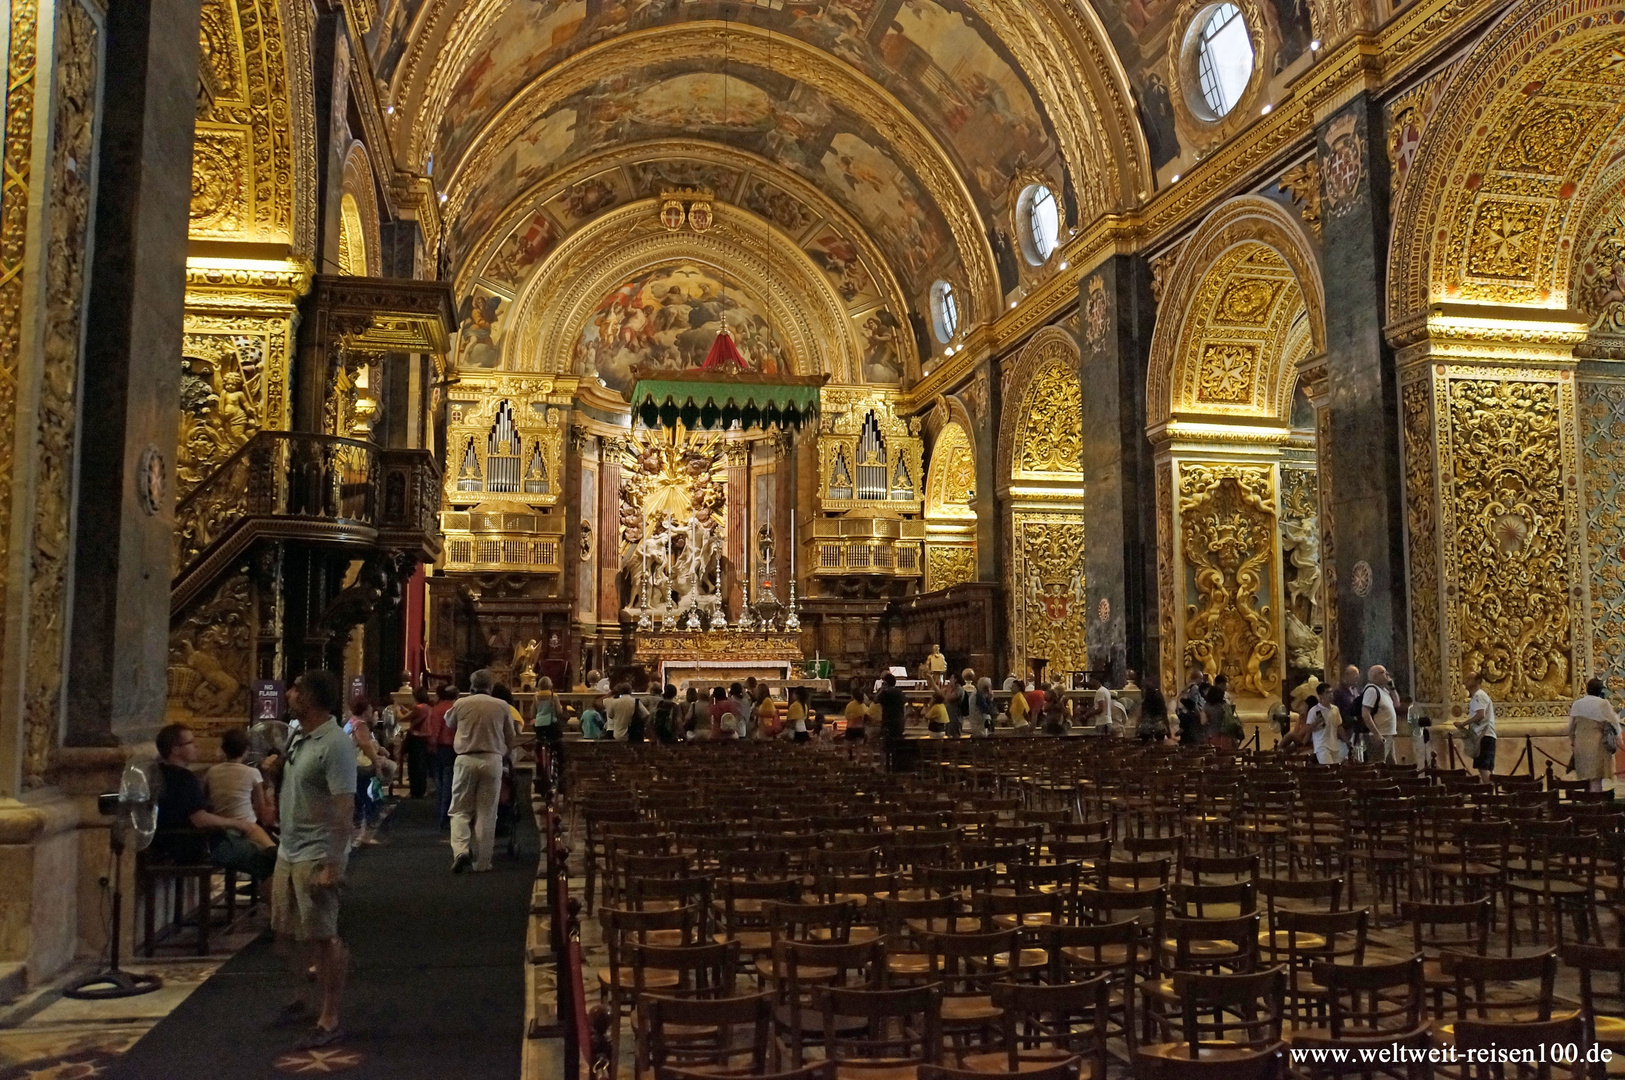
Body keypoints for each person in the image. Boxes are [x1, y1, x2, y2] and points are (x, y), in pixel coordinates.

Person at [272, 669, 357, 1049]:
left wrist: (332, 862)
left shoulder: (335, 743)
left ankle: (330, 1015)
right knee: (285, 930)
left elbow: (343, 806)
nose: (289, 693)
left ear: (312, 698)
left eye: (296, 689)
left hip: (316, 851)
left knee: (324, 936)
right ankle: (301, 997)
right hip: (288, 849)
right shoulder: (297, 734)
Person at [153, 723, 274, 883]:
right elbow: (199, 819)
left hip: (171, 844)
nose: (196, 746)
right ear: (175, 749)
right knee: (267, 860)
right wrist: (236, 823)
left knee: (261, 847)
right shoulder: (183, 778)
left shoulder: (160, 773)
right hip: (195, 845)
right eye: (190, 742)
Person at [443, 668, 519, 874]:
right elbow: (510, 736)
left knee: (460, 809)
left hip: (466, 758)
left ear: (471, 685)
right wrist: (505, 754)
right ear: (491, 686)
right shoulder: (502, 705)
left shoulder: (460, 703)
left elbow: (449, 723)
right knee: (487, 812)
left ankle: (461, 852)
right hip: (492, 759)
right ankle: (483, 862)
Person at [1567, 677, 1618, 792]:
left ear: (1587, 689)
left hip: (1581, 743)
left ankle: (1587, 803)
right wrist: (1619, 739)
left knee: (1585, 776)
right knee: (1596, 778)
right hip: (1597, 743)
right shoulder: (1603, 704)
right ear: (1600, 691)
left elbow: (1571, 727)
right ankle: (1595, 805)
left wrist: (1572, 741)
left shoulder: (1577, 704)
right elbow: (1614, 722)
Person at [424, 685, 458, 829]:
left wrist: (431, 746)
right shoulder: (455, 709)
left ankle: (442, 812)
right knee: (450, 782)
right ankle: (447, 814)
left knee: (442, 782)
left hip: (440, 747)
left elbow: (434, 730)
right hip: (454, 747)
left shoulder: (437, 709)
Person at [1454, 670, 1496, 782]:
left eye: (1469, 679)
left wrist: (1463, 724)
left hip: (1484, 735)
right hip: (1486, 735)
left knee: (1483, 768)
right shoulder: (1479, 696)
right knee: (1486, 768)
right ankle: (1491, 791)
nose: (1465, 681)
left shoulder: (1479, 696)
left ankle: (1490, 794)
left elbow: (1480, 715)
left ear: (1477, 681)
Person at [1360, 666, 1399, 764]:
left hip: (1388, 734)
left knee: (1391, 765)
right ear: (1375, 676)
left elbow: (1397, 703)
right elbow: (1365, 713)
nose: (1387, 674)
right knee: (1378, 764)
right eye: (1383, 672)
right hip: (1379, 735)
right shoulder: (1371, 690)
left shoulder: (1383, 690)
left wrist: (1392, 687)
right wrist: (1377, 734)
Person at [401, 686, 431, 799]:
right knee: (422, 765)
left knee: (414, 765)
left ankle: (415, 791)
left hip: (416, 738)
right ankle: (421, 789)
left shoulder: (418, 708)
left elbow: (403, 718)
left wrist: (398, 709)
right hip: (425, 738)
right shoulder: (428, 707)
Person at [1304, 683, 1343, 764]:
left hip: (1334, 745)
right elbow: (1307, 729)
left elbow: (1339, 726)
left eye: (1331, 692)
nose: (1331, 695)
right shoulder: (1314, 711)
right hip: (1321, 746)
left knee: (1337, 770)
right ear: (1321, 695)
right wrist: (1316, 722)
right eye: (1327, 693)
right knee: (1328, 768)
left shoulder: (1335, 709)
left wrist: (1346, 740)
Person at [1332, 664, 1365, 759]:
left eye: (1358, 675)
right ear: (1346, 675)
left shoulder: (1357, 690)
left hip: (1356, 730)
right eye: (1354, 675)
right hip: (1345, 731)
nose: (1357, 678)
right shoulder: (1339, 692)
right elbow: (1338, 712)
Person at [877, 672, 907, 770]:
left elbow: (876, 699)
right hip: (899, 722)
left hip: (888, 722)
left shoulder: (885, 693)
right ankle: (896, 768)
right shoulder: (900, 692)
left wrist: (882, 689)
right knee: (897, 747)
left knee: (886, 747)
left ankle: (887, 768)